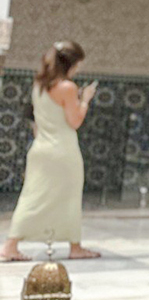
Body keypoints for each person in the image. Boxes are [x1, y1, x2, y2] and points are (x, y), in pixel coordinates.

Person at [2, 41, 100, 261]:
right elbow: (74, 121)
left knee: (32, 195)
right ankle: (74, 247)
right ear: (72, 64)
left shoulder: (39, 84)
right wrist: (85, 100)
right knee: (69, 198)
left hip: (40, 149)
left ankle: (12, 244)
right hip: (62, 150)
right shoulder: (67, 87)